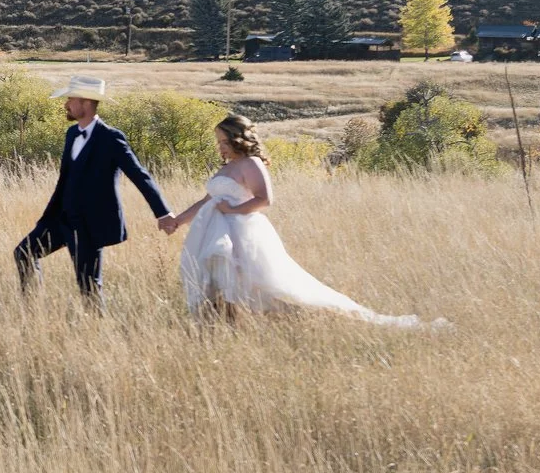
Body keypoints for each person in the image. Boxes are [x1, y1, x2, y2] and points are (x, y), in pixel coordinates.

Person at [160, 114, 433, 327]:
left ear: (238, 139)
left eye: (223, 141)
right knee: (218, 281)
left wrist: (231, 211)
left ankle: (302, 318)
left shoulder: (251, 164)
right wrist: (177, 220)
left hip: (240, 231)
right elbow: (207, 199)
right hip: (214, 231)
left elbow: (264, 199)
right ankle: (220, 327)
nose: (220, 146)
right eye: (218, 142)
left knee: (262, 282)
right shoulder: (226, 167)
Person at [13, 74, 168, 306]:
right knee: (24, 252)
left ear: (85, 102)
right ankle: (33, 308)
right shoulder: (72, 134)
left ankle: (98, 326)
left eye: (70, 99)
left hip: (89, 225)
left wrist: (163, 213)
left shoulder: (111, 138)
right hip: (60, 219)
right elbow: (65, 179)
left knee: (88, 285)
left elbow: (139, 175)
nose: (66, 104)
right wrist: (49, 217)